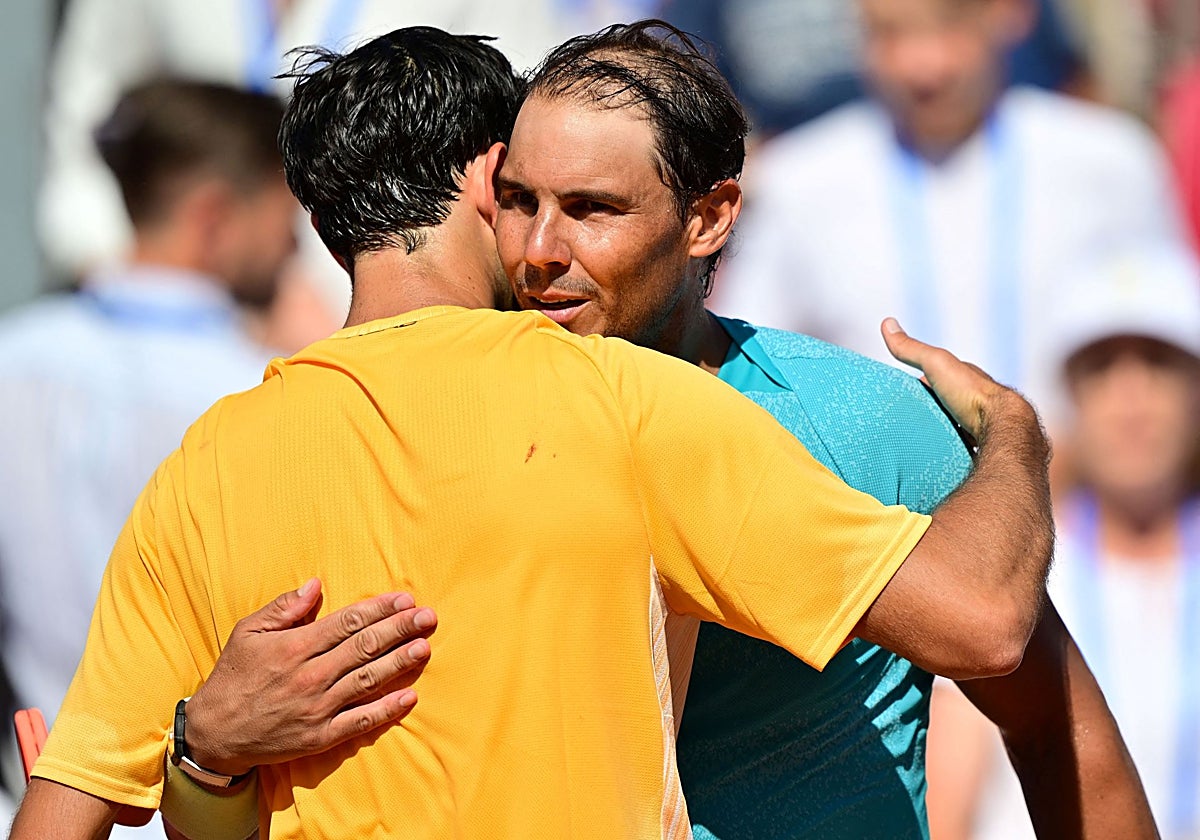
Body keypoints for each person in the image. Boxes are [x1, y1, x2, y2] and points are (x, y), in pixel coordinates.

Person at [11, 27, 1058, 840]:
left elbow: (64, 808)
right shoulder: (624, 400)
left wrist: (201, 758)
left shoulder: (208, 464)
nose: (547, 245)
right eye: (524, 195)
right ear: (485, 183)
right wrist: (1013, 435)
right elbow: (986, 622)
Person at [714, 0, 1188, 417]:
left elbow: (1175, 349)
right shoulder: (799, 181)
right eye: (890, 33)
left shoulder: (1111, 162)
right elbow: (746, 368)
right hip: (876, 509)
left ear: (1010, 12)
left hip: (1080, 508)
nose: (924, 66)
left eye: (949, 25)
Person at [927, 244, 1200, 840]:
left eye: (1159, 363)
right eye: (1102, 368)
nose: (1133, 401)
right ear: (1071, 394)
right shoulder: (1012, 571)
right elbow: (947, 795)